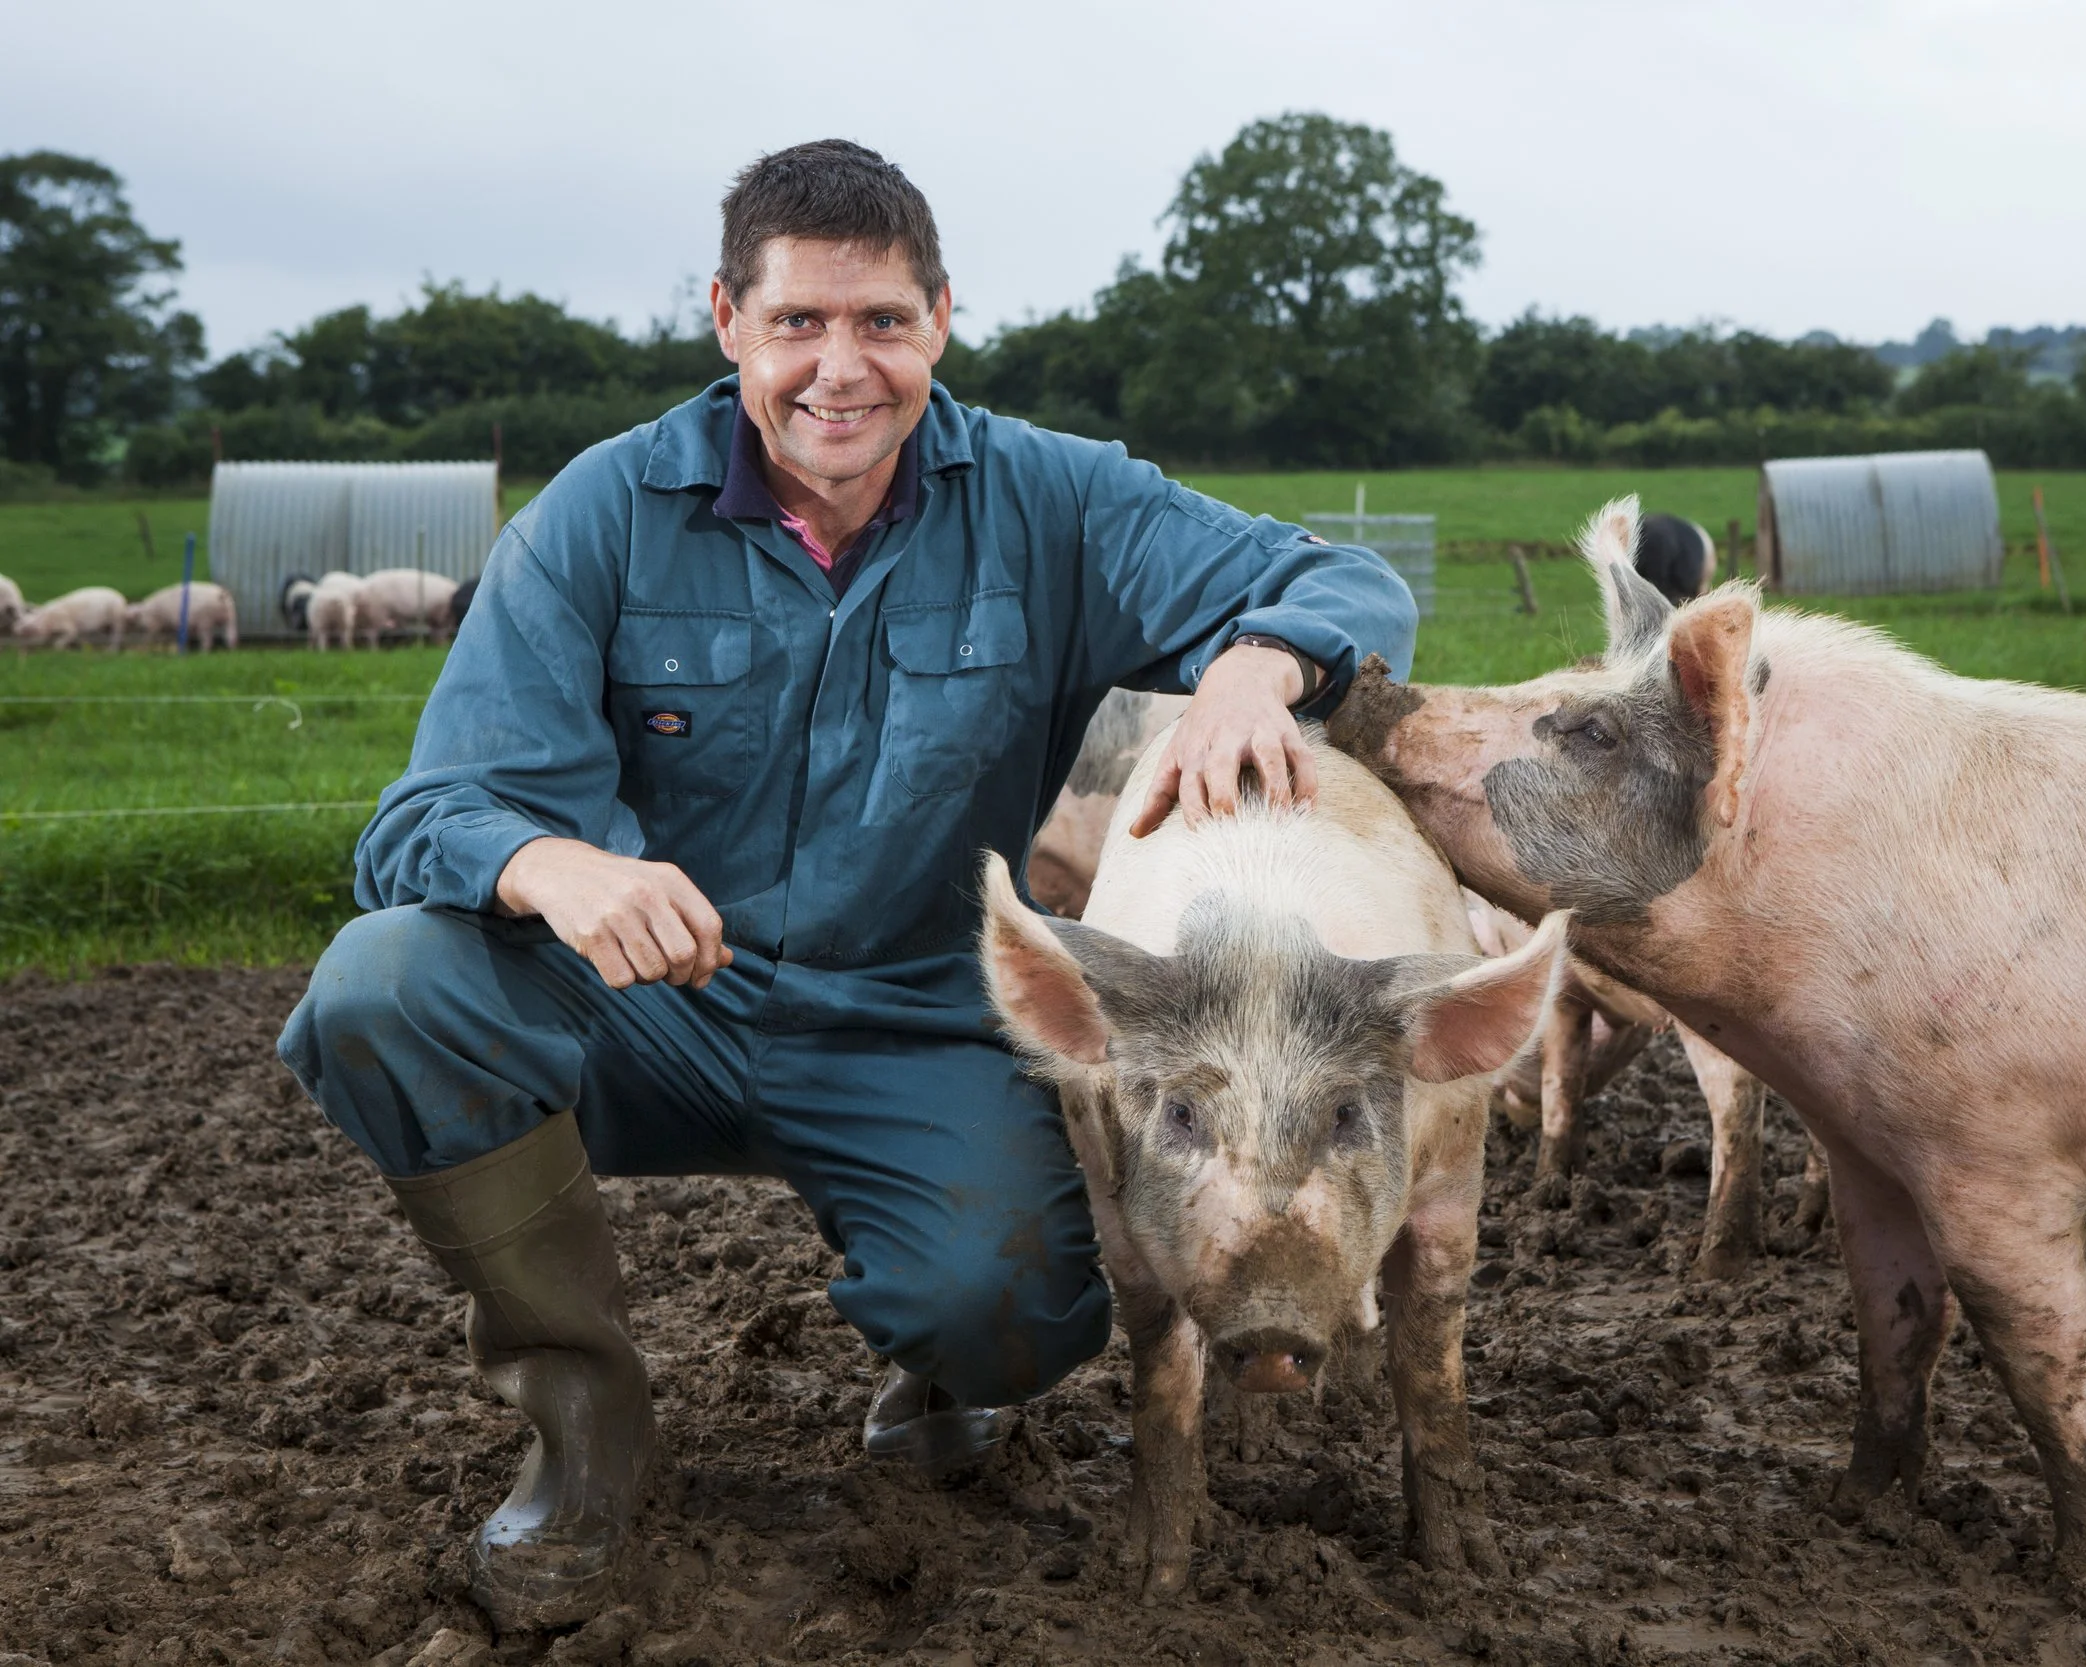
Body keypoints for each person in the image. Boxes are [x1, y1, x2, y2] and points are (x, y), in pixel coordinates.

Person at [276, 139, 1415, 1630]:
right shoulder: (601, 514)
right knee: (384, 982)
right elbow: (428, 812)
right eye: (799, 322)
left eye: (882, 321)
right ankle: (582, 1430)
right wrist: (559, 867)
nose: (842, 367)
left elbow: (1345, 576)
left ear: (941, 315)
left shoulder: (1048, 501)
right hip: (650, 1002)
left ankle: (946, 1368)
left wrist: (1258, 663)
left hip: (913, 1018)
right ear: (727, 319)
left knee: (1019, 1303)